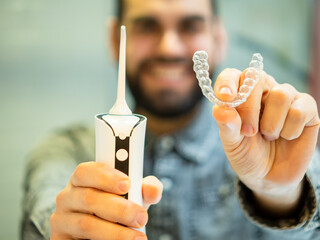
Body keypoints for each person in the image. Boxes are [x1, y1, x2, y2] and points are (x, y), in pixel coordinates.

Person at [22, 0, 320, 239]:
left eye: (190, 26)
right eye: (147, 26)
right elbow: (47, 207)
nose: (169, 48)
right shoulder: (64, 153)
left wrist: (280, 194)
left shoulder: (271, 144)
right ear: (115, 39)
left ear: (218, 39)